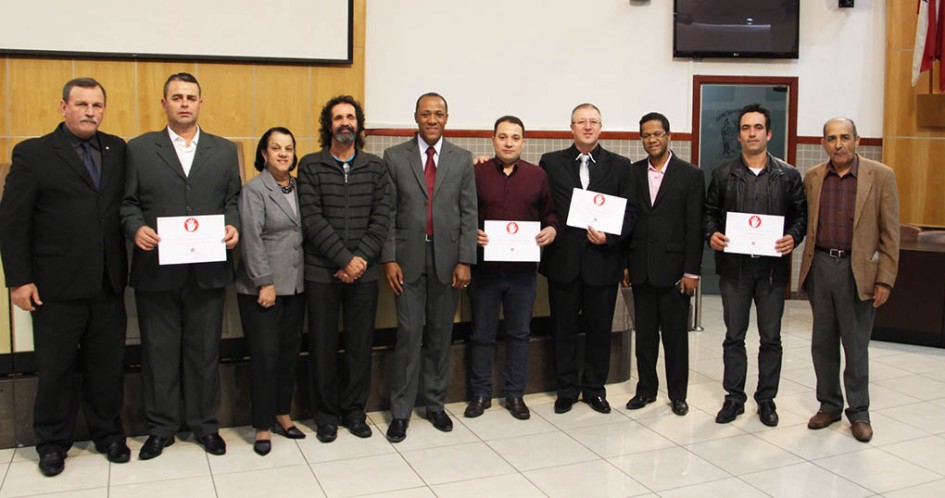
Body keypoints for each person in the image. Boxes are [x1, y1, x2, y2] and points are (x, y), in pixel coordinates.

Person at [0, 78, 130, 476]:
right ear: (63, 108)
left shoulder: (117, 149)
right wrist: (19, 280)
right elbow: (12, 221)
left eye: (97, 105)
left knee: (106, 366)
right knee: (56, 369)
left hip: (108, 281)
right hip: (55, 286)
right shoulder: (34, 154)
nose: (90, 112)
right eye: (82, 104)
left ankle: (108, 434)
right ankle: (52, 442)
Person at [121, 72, 241, 459]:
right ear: (164, 104)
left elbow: (233, 200)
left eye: (191, 97)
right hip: (157, 268)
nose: (184, 103)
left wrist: (233, 226)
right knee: (159, 351)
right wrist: (136, 228)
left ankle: (206, 425)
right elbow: (127, 203)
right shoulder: (138, 149)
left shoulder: (223, 151)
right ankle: (161, 427)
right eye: (177, 97)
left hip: (206, 269)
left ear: (201, 103)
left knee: (204, 350)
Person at [380, 92, 477, 442]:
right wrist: (388, 258)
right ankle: (401, 411)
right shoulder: (394, 157)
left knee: (440, 335)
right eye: (426, 114)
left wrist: (466, 259)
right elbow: (387, 213)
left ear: (447, 118)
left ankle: (435, 404)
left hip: (449, 262)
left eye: (438, 114)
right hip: (406, 262)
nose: (432, 120)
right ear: (416, 118)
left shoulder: (462, 159)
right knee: (408, 335)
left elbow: (469, 212)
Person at [704, 103, 807, 426]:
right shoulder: (723, 174)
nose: (752, 133)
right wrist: (712, 234)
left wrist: (793, 236)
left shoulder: (787, 175)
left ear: (769, 133)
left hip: (772, 272)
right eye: (746, 128)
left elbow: (801, 215)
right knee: (734, 336)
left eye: (758, 127)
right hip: (734, 271)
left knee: (771, 338)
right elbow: (708, 212)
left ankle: (766, 400)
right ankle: (734, 398)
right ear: (739, 136)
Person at [798, 117, 900, 443]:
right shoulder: (813, 178)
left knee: (855, 346)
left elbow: (890, 234)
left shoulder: (880, 176)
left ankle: (859, 412)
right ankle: (829, 405)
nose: (838, 144)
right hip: (822, 268)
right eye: (831, 138)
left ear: (858, 140)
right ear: (823, 143)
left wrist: (885, 280)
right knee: (822, 344)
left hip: (858, 273)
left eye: (845, 137)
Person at [298, 96, 391, 443]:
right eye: (338, 117)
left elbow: (382, 218)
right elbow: (312, 218)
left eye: (350, 117)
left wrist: (359, 260)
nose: (345, 122)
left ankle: (354, 411)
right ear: (329, 124)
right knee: (322, 346)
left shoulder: (376, 167)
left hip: (363, 273)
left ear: (359, 124)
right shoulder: (310, 165)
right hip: (322, 271)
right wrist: (342, 259)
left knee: (359, 345)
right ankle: (324, 416)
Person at [539, 103, 633, 415]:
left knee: (599, 330)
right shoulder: (550, 163)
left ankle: (594, 389)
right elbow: (542, 204)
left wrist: (611, 237)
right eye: (582, 122)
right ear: (572, 127)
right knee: (563, 329)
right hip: (563, 261)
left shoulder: (620, 166)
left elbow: (630, 213)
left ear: (601, 127)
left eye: (593, 122)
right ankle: (566, 389)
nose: (588, 126)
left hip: (602, 261)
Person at [464, 116, 558, 420]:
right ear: (492, 140)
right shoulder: (475, 173)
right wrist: (471, 233)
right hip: (485, 271)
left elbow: (551, 214)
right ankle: (480, 393)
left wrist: (551, 231)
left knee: (519, 334)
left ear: (523, 142)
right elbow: (461, 212)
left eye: (515, 138)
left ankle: (515, 394)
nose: (508, 143)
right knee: (482, 333)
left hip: (522, 273)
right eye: (502, 137)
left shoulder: (537, 176)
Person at [624, 112, 705, 417]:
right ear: (641, 139)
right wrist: (625, 264)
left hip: (675, 271)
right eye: (646, 135)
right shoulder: (631, 173)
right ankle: (645, 389)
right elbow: (628, 220)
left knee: (674, 337)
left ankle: (678, 394)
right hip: (641, 267)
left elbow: (694, 227)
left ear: (669, 136)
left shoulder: (691, 175)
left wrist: (691, 271)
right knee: (644, 335)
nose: (652, 140)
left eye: (657, 134)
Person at [235, 127, 307, 456]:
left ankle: (282, 413)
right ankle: (263, 425)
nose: (282, 153)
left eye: (288, 148)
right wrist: (264, 281)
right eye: (275, 148)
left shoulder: (299, 187)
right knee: (264, 358)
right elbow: (251, 238)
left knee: (288, 355)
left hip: (295, 285)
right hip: (263, 289)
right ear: (264, 154)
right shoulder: (254, 189)